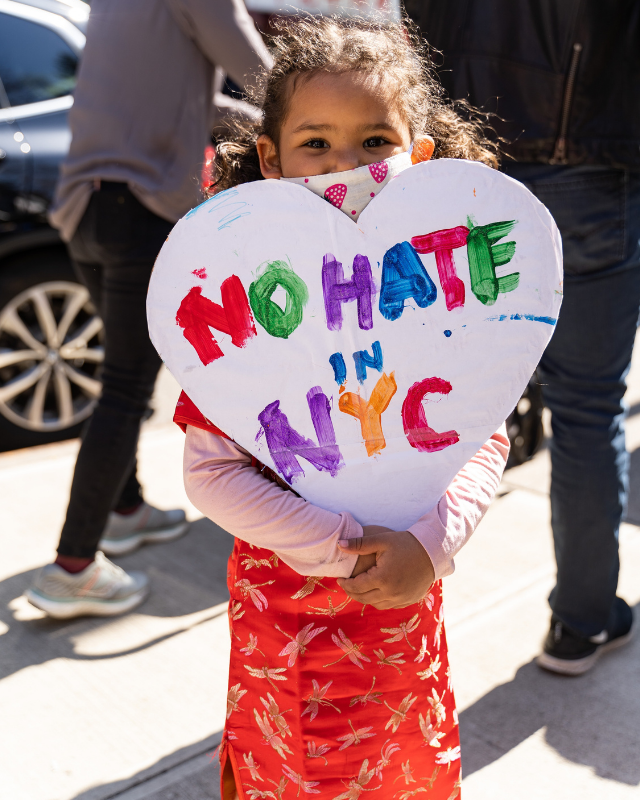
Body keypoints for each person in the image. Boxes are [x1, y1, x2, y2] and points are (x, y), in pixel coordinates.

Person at [170, 16, 511, 799]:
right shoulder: (237, 297)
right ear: (271, 158)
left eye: (374, 143)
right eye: (316, 143)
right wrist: (341, 546)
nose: (344, 167)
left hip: (403, 612)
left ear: (419, 156)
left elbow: (484, 435)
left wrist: (431, 543)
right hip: (284, 619)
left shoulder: (443, 292)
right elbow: (210, 471)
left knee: (404, 773)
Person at [404, 0, 639, 675]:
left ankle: (384, 617)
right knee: (589, 410)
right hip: (593, 176)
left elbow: (416, 44)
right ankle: (581, 619)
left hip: (473, 177)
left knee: (431, 399)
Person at [25, 0, 271, 619]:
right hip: (141, 205)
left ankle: (125, 511)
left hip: (84, 204)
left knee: (121, 373)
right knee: (128, 387)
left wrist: (245, 118)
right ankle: (72, 568)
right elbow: (267, 78)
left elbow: (184, 102)